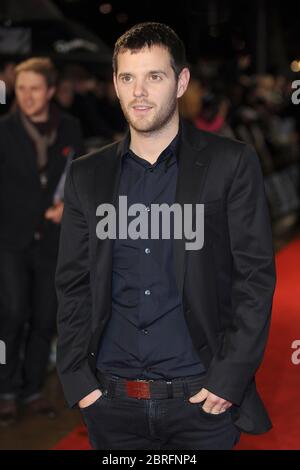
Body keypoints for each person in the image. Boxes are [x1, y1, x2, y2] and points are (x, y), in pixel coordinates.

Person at [55, 23, 276, 450]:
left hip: (202, 401)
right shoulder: (86, 175)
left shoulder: (230, 164)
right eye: (127, 78)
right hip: (111, 404)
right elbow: (73, 283)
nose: (139, 91)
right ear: (115, 86)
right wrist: (78, 381)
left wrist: (229, 378)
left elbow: (255, 278)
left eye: (154, 76)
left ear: (181, 81)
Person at [0, 57, 84, 425]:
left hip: (53, 239)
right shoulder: (3, 131)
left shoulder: (69, 127)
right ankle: (5, 390)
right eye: (21, 89)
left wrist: (69, 204)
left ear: (50, 90)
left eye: (35, 89)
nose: (27, 96)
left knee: (44, 317)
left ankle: (32, 389)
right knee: (12, 314)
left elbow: (77, 176)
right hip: (9, 238)